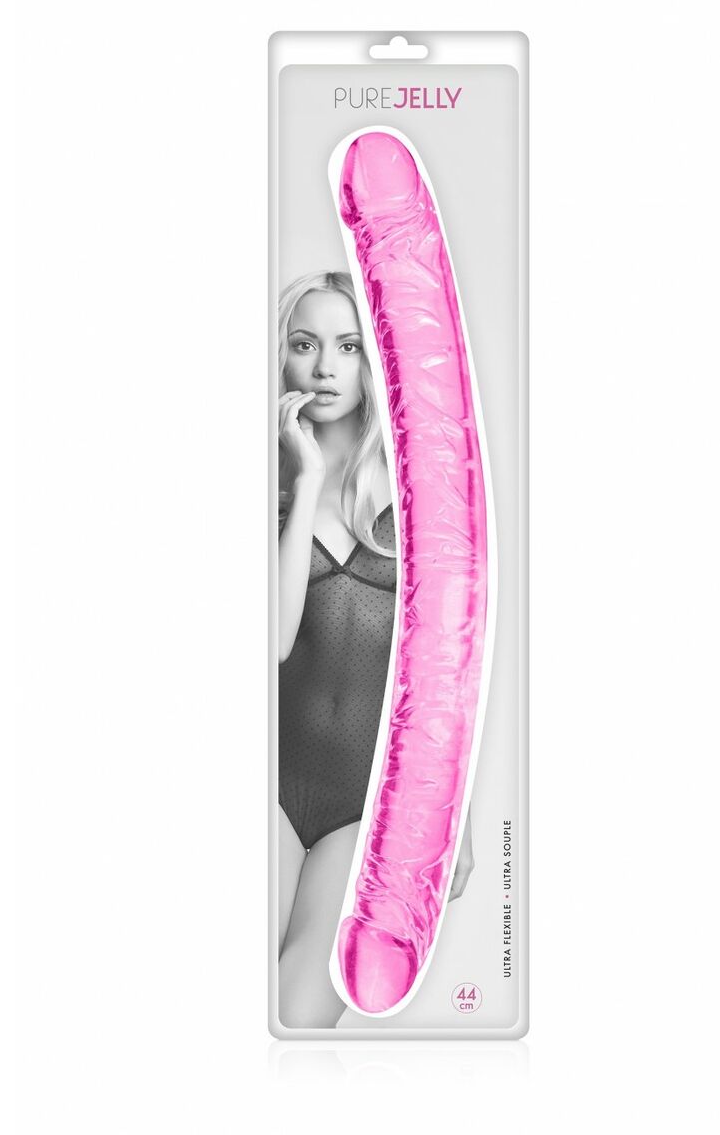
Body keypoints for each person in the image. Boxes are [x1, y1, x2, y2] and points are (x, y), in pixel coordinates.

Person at [276, 270, 474, 1029]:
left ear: (374, 361)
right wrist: (304, 481)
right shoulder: (262, 485)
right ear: (282, 357)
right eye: (305, 345)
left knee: (296, 1023)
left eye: (349, 347)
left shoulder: (422, 490)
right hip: (266, 786)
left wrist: (454, 814)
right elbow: (273, 642)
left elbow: (447, 668)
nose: (325, 367)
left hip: (365, 807)